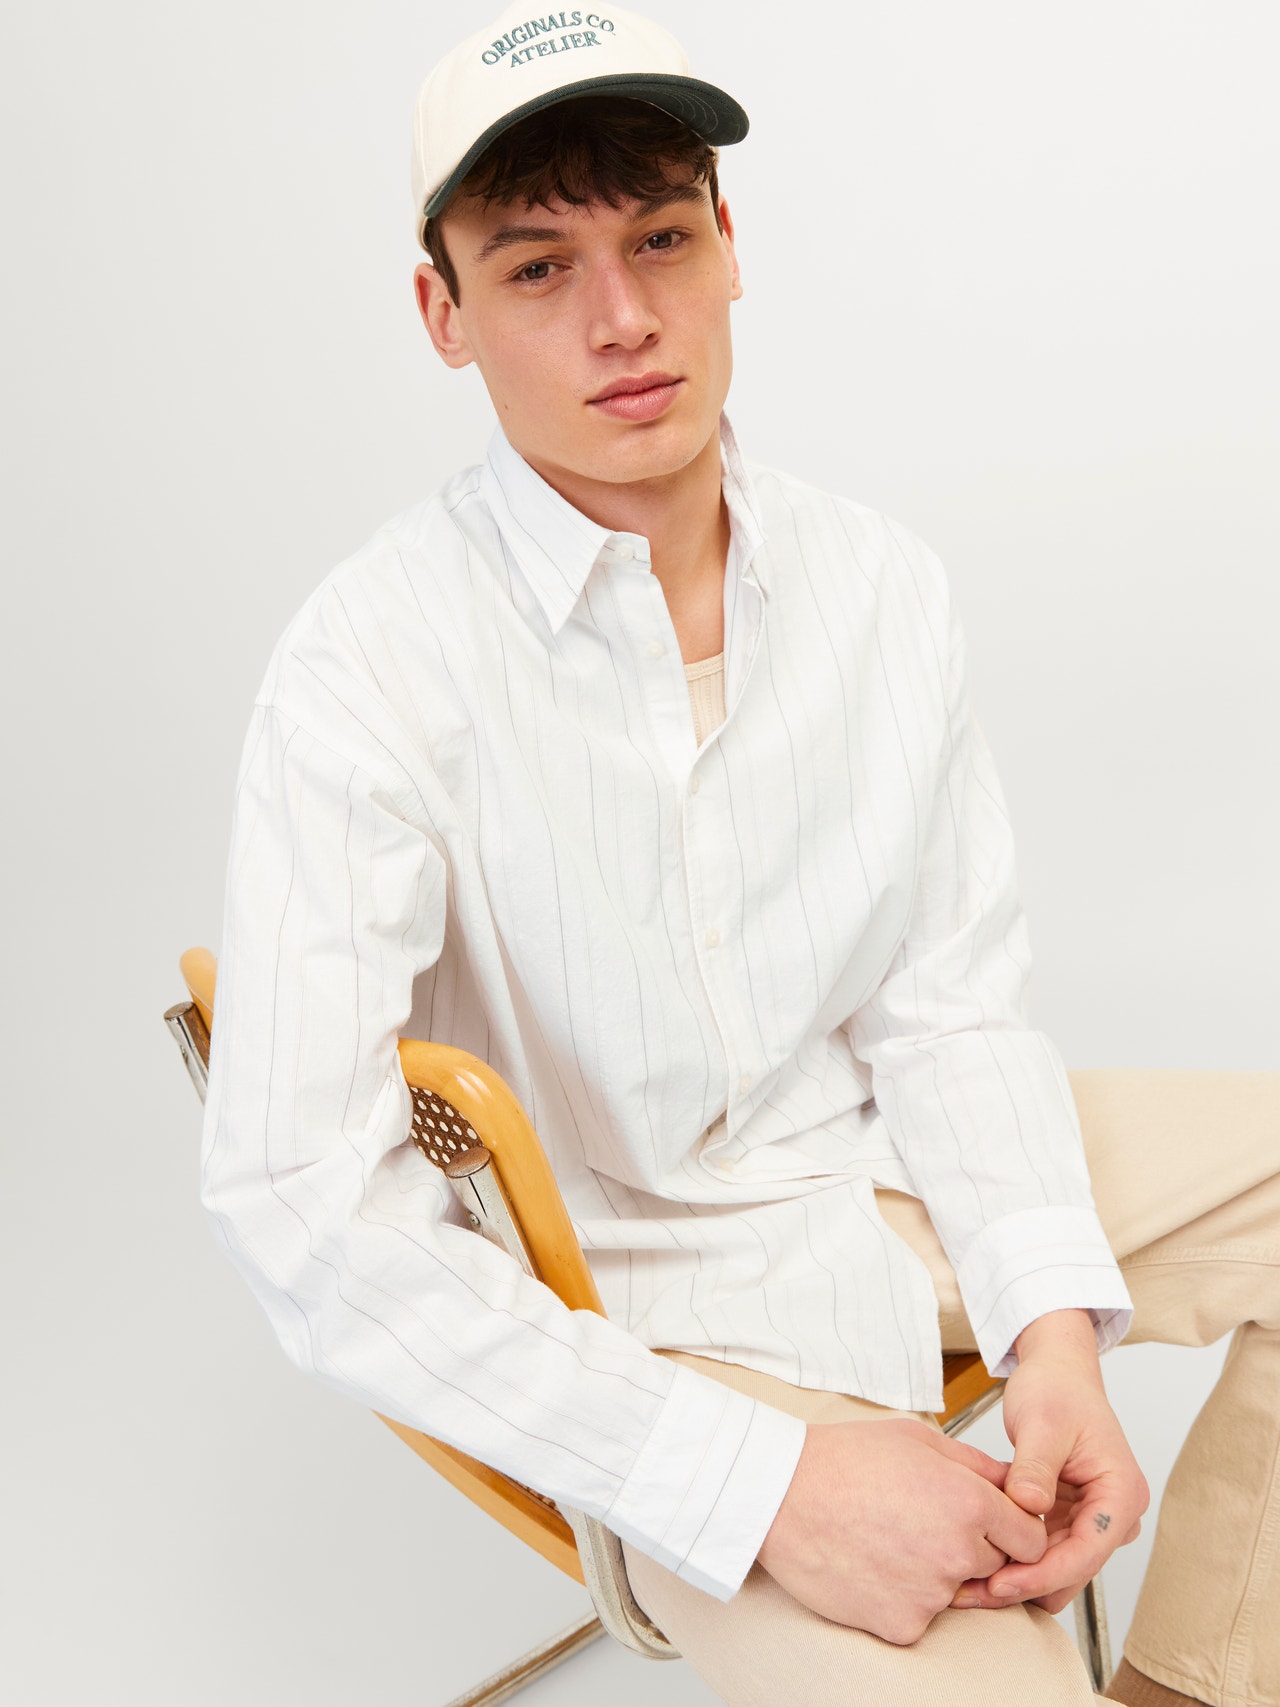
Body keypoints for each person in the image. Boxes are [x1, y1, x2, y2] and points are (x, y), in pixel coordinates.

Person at [200, 6, 1280, 1703]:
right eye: (537, 268)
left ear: (727, 245)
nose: (624, 319)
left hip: (869, 1181)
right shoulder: (371, 665)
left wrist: (1053, 1331)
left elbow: (946, 1011)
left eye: (659, 238)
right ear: (443, 314)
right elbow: (303, 1197)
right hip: (650, 1321)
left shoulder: (879, 586)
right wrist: (761, 1485)